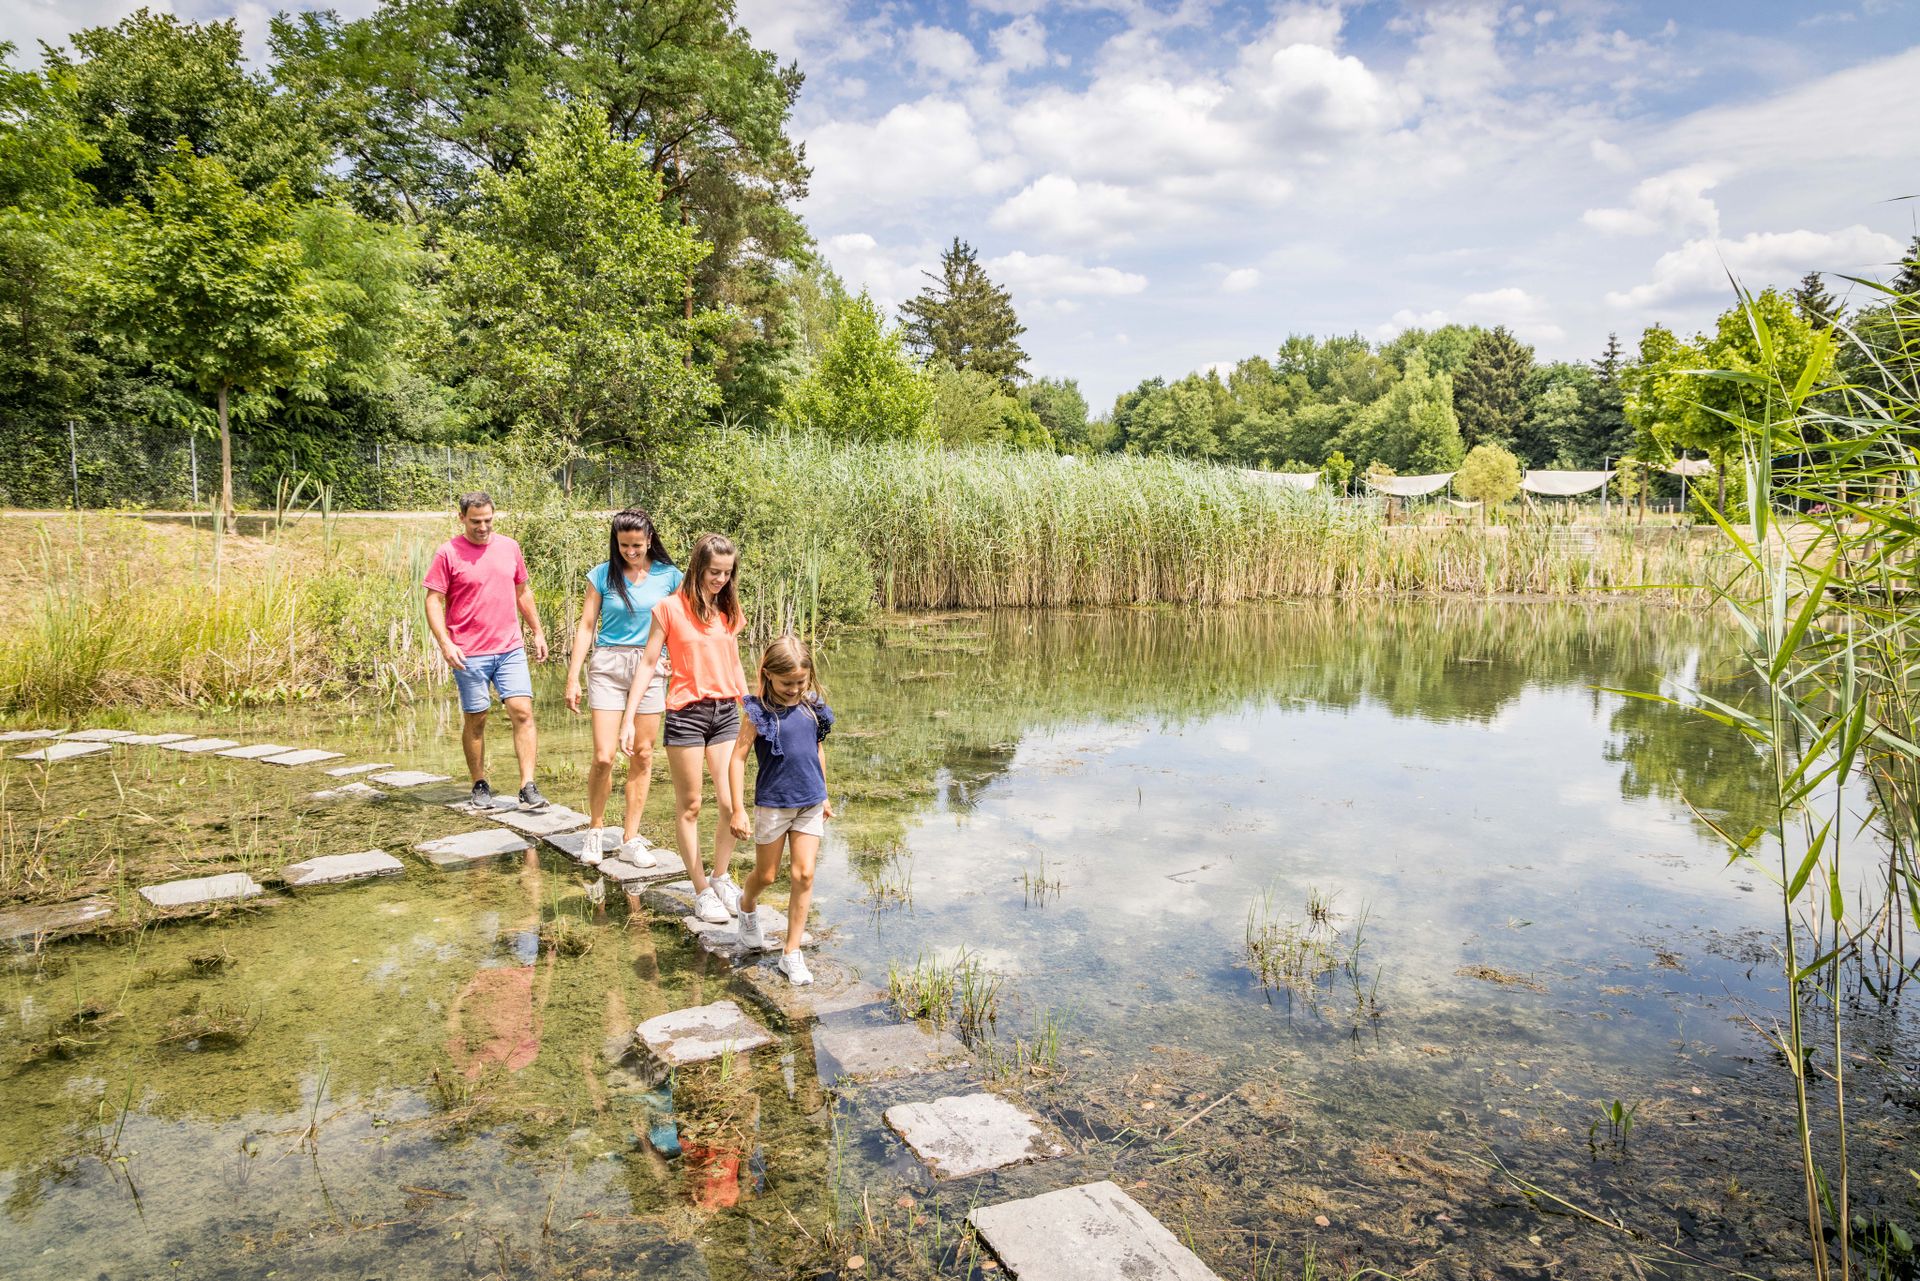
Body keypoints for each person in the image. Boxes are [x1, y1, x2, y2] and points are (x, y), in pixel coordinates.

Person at [622, 533, 747, 924]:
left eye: (727, 573)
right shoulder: (669, 609)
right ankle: (701, 891)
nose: (720, 580)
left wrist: (753, 710)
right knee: (691, 805)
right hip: (686, 715)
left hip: (726, 712)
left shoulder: (728, 610)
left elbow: (735, 663)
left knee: (730, 805)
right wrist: (628, 718)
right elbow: (646, 664)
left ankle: (721, 876)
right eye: (714, 572)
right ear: (697, 568)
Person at [564, 508, 681, 866]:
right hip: (608, 666)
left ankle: (631, 837)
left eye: (637, 545)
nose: (631, 551)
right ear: (616, 543)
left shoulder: (670, 577)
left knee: (642, 754)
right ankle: (596, 830)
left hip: (650, 667)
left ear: (650, 540)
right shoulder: (602, 575)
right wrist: (572, 675)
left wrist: (676, 662)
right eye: (624, 545)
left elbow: (681, 624)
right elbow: (586, 626)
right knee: (604, 755)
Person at [423, 491, 550, 812]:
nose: (483, 527)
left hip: (509, 648)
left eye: (488, 520)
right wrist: (445, 642)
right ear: (462, 517)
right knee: (477, 719)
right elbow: (433, 600)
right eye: (476, 521)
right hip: (469, 653)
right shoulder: (447, 553)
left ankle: (527, 786)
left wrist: (537, 630)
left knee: (522, 711)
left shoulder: (509, 547)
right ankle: (479, 783)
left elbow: (522, 591)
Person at [728, 636, 833, 986]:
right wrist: (738, 809)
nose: (795, 689)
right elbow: (738, 758)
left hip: (810, 802)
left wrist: (825, 793)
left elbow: (816, 750)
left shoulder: (812, 707)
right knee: (767, 875)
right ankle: (746, 905)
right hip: (773, 804)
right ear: (768, 675)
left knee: (804, 875)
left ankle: (792, 954)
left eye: (801, 682)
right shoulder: (758, 712)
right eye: (787, 683)